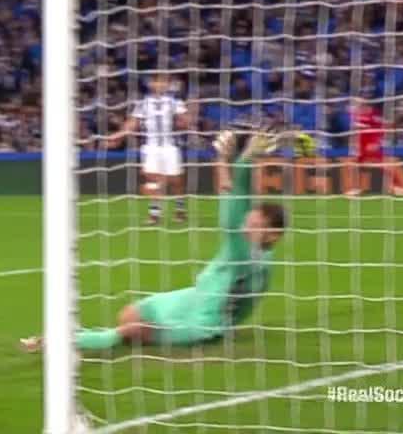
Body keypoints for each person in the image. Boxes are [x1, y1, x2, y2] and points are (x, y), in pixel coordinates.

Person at [21, 127, 287, 353]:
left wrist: (245, 160)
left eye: (256, 224)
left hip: (202, 321)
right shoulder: (253, 252)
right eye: (250, 221)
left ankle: (57, 342)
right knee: (130, 313)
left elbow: (235, 209)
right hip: (193, 297)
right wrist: (224, 159)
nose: (248, 225)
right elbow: (233, 199)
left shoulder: (250, 255)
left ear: (273, 234)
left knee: (130, 330)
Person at [109, 74, 190, 224]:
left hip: (170, 146)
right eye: (157, 81)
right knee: (151, 178)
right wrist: (118, 135)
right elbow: (132, 124)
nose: (160, 84)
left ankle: (180, 210)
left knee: (176, 181)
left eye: (164, 81)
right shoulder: (143, 104)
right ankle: (154, 214)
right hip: (151, 147)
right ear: (151, 84)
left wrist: (185, 119)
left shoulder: (175, 102)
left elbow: (185, 122)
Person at [345, 97, 403, 197]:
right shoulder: (355, 116)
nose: (357, 107)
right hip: (360, 147)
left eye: (360, 105)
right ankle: (356, 188)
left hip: (371, 146)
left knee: (386, 165)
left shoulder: (374, 115)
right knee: (353, 165)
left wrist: (376, 142)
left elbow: (384, 129)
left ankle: (398, 187)